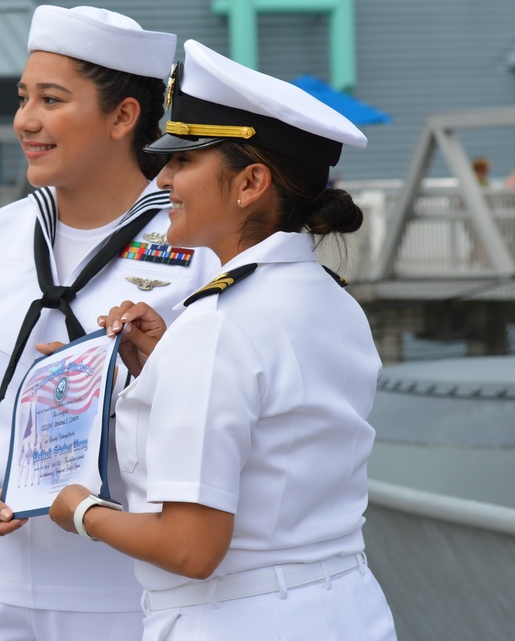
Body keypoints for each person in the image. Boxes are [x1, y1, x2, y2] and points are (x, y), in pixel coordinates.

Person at [49, 39, 398, 641]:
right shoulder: (330, 300)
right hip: (347, 607)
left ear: (251, 182)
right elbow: (283, 436)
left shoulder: (217, 326)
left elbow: (191, 549)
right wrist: (165, 370)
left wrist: (77, 508)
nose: (162, 177)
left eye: (185, 160)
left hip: (240, 619)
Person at [0, 7, 219, 640]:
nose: (26, 121)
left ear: (123, 117)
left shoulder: (195, 248)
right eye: (23, 99)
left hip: (125, 588)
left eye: (51, 99)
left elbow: (216, 415)